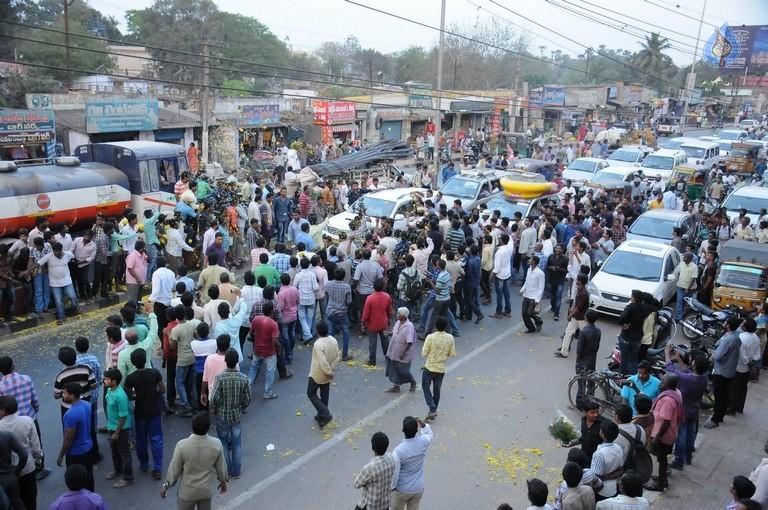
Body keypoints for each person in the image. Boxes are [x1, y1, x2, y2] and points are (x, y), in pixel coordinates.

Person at [161, 412, 228, 508]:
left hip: (187, 492)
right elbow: (221, 467)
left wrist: (166, 486)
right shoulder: (216, 444)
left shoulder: (182, 446)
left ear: (192, 427)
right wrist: (223, 482)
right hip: (205, 491)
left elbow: (174, 470)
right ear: (209, 427)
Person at [664, 344, 709, 470]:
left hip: (683, 410)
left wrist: (667, 354)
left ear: (694, 365)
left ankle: (678, 460)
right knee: (690, 434)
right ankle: (687, 457)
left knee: (681, 435)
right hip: (694, 409)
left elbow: (671, 369)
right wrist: (678, 358)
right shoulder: (704, 377)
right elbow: (686, 371)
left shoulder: (687, 379)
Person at [210, 349, 250, 480]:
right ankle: (236, 471)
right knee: (236, 443)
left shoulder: (220, 378)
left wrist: (216, 407)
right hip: (236, 415)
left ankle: (226, 471)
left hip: (222, 415)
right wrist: (240, 406)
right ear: (237, 362)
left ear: (226, 361)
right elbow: (247, 398)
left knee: (223, 442)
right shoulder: (243, 378)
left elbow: (214, 398)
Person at [644, 373, 684, 492]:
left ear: (668, 384)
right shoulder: (676, 392)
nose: (661, 383)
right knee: (662, 458)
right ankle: (663, 479)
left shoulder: (667, 400)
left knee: (661, 459)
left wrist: (657, 437)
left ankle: (660, 484)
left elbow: (666, 421)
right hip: (671, 433)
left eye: (663, 381)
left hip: (663, 435)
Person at [0, 395, 41, 510]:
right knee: (31, 500)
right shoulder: (27, 421)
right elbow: (35, 446)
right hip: (28, 468)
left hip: (8, 473)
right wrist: (38, 460)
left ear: (3, 411)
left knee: (14, 502)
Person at [704, 316, 743, 429]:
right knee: (724, 395)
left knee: (719, 396)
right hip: (729, 370)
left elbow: (718, 356)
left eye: (726, 323)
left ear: (728, 325)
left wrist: (712, 352)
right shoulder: (736, 337)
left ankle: (715, 419)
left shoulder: (728, 339)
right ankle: (719, 416)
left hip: (722, 371)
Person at [56, 383, 94, 492]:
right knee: (88, 477)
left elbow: (69, 438)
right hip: (87, 447)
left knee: (77, 482)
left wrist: (61, 455)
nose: (62, 395)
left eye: (64, 393)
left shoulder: (70, 414)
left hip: (76, 453)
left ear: (72, 395)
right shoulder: (87, 405)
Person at [391, 416, 433, 510]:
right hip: (418, 488)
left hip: (401, 490)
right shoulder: (423, 442)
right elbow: (429, 433)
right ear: (417, 430)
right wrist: (423, 424)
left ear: (403, 430)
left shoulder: (398, 451)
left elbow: (395, 474)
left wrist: (392, 488)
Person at [103, 368, 134, 488]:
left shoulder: (120, 395)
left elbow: (123, 416)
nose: (104, 381)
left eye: (107, 379)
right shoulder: (109, 390)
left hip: (121, 428)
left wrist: (117, 432)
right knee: (114, 450)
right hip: (112, 426)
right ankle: (118, 469)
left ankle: (128, 477)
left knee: (124, 452)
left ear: (114, 381)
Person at [307, 321, 340, 429]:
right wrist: (331, 370)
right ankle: (321, 415)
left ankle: (325, 413)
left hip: (318, 373)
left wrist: (328, 371)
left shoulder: (318, 343)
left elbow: (322, 361)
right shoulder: (333, 340)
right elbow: (337, 357)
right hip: (328, 373)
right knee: (324, 395)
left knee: (311, 393)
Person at [354, 431, 397, 510]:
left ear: (372, 448)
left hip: (371, 506)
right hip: (385, 504)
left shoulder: (370, 468)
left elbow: (357, 484)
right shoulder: (391, 458)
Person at [248, 301, 281, 400]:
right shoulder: (273, 324)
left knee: (254, 368)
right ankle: (268, 393)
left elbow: (251, 333)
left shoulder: (256, 319)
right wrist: (279, 348)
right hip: (269, 352)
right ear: (272, 311)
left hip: (257, 349)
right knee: (270, 372)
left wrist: (256, 339)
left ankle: (247, 389)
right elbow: (275, 340)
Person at [729, 318, 761, 415]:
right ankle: (740, 407)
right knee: (743, 388)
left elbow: (741, 353)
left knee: (735, 388)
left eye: (743, 324)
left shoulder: (742, 337)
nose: (741, 325)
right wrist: (752, 363)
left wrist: (747, 362)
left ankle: (732, 409)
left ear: (745, 327)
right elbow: (757, 352)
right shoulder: (756, 338)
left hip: (740, 366)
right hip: (748, 366)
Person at [618, 290, 653, 375]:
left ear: (634, 298)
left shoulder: (630, 307)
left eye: (632, 296)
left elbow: (622, 317)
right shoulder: (645, 308)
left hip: (627, 337)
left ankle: (623, 378)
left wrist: (623, 324)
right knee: (634, 360)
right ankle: (633, 378)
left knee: (624, 360)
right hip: (637, 339)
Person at [555, 274, 589, 358]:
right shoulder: (580, 290)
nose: (576, 281)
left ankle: (586, 353)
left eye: (577, 279)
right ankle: (564, 351)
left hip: (581, 318)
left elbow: (579, 308)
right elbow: (577, 305)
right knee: (568, 333)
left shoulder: (583, 293)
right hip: (576, 317)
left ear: (580, 282)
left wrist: (571, 315)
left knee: (585, 336)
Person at [385, 308, 418, 393]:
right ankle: (396, 386)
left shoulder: (409, 327)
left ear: (403, 316)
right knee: (395, 369)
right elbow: (395, 333)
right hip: (394, 351)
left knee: (404, 371)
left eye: (399, 314)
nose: (397, 315)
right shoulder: (398, 323)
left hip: (404, 354)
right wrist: (388, 333)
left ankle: (412, 382)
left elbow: (409, 342)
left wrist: (403, 353)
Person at [361, 278, 392, 366]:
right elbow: (390, 311)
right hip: (383, 322)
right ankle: (388, 357)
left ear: (373, 287)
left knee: (372, 343)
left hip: (372, 324)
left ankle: (372, 360)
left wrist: (363, 323)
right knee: (385, 341)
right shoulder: (387, 296)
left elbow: (366, 313)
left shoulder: (370, 298)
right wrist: (388, 319)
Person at [590, 420, 624, 500]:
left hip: (601, 491)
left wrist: (604, 477)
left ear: (603, 434)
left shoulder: (599, 454)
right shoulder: (618, 448)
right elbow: (621, 470)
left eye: (601, 429)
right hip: (613, 488)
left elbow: (597, 478)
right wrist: (609, 475)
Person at [573, 310, 601, 409]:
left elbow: (579, 349)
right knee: (591, 381)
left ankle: (579, 404)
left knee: (581, 383)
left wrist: (577, 361)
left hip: (583, 360)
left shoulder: (584, 332)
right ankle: (590, 402)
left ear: (586, 318)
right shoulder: (598, 331)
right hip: (592, 359)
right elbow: (597, 346)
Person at [519, 255, 545, 333]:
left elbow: (541, 287)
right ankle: (531, 328)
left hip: (534, 296)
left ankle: (538, 321)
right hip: (527, 295)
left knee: (530, 312)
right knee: (524, 313)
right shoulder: (528, 270)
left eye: (531, 259)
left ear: (534, 262)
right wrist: (522, 290)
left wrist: (537, 299)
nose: (529, 260)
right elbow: (526, 282)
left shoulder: (540, 273)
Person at [490, 233, 513, 318]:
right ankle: (508, 310)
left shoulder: (499, 252)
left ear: (502, 240)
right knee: (506, 294)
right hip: (507, 274)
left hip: (500, 275)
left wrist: (492, 276)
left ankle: (498, 312)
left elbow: (497, 268)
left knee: (499, 295)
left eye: (500, 238)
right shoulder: (509, 248)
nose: (498, 240)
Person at [675, 252, 698, 321]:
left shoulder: (694, 267)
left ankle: (684, 314)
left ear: (690, 259)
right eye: (684, 257)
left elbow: (693, 279)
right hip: (680, 285)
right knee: (679, 300)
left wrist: (688, 289)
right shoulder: (681, 264)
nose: (685, 258)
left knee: (686, 302)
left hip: (690, 288)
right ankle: (678, 317)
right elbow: (678, 272)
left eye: (686, 258)